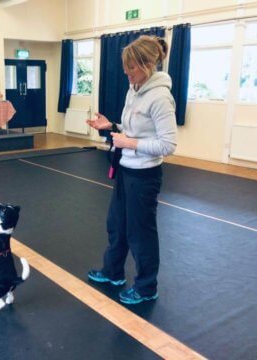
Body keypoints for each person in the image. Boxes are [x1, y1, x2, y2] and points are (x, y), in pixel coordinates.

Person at [86, 36, 177, 304]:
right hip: (126, 169)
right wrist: (111, 127)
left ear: (149, 65)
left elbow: (168, 144)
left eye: (132, 68)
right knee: (117, 224)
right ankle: (113, 272)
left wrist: (130, 143)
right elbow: (131, 131)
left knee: (141, 233)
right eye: (126, 68)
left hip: (144, 176)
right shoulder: (133, 89)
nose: (127, 72)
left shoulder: (160, 97)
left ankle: (147, 287)